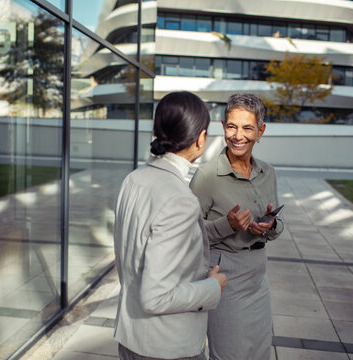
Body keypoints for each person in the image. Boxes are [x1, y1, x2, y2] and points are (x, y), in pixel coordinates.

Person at [113, 91, 227, 360]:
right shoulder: (180, 199)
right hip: (166, 347)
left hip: (131, 338)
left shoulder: (134, 180)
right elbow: (156, 297)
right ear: (200, 139)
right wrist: (213, 286)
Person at [189, 93, 284, 360]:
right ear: (223, 127)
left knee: (259, 351)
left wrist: (271, 224)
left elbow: (278, 223)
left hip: (258, 276)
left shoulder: (268, 173)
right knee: (229, 355)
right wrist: (227, 225)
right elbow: (187, 233)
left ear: (260, 132)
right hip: (224, 277)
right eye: (231, 126)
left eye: (247, 128)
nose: (237, 135)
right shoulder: (207, 176)